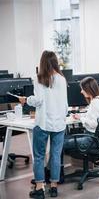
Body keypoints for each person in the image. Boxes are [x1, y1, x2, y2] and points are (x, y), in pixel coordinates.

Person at [19, 51, 68, 199]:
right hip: (59, 123)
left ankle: (39, 188)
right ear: (55, 62)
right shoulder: (62, 79)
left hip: (43, 123)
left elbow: (38, 100)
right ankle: (54, 187)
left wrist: (26, 100)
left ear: (42, 63)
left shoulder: (38, 78)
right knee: (55, 155)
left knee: (39, 156)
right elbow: (65, 104)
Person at [63, 77, 99, 151]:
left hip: (91, 140)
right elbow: (94, 117)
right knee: (63, 139)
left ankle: (57, 162)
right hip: (93, 137)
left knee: (60, 142)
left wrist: (81, 118)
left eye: (83, 89)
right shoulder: (98, 99)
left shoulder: (95, 103)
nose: (81, 91)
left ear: (89, 89)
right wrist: (81, 116)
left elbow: (94, 124)